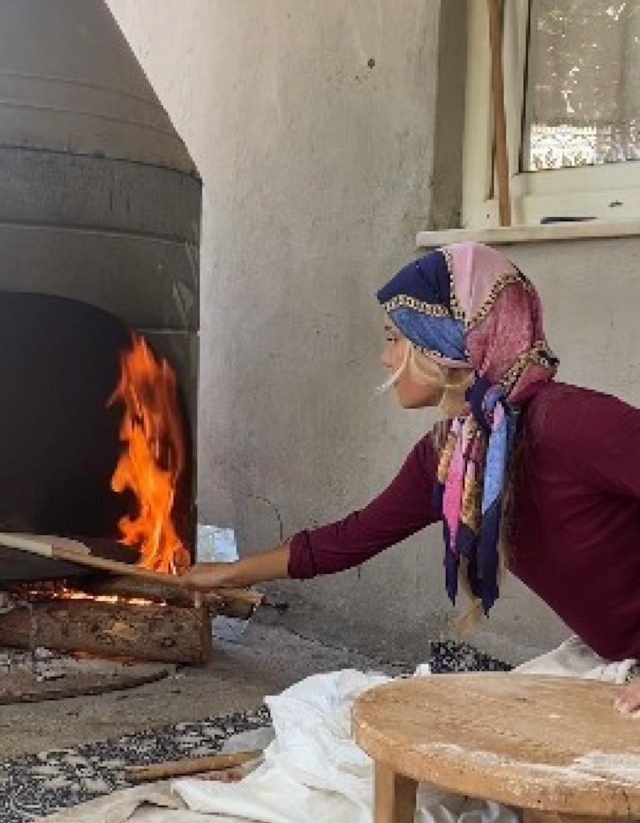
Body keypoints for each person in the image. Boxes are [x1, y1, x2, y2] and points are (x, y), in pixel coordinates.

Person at [181, 241, 640, 714]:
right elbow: (352, 539)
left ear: (446, 342)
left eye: (394, 338)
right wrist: (226, 573)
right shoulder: (452, 455)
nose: (386, 358)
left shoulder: (572, 422)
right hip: (611, 663)